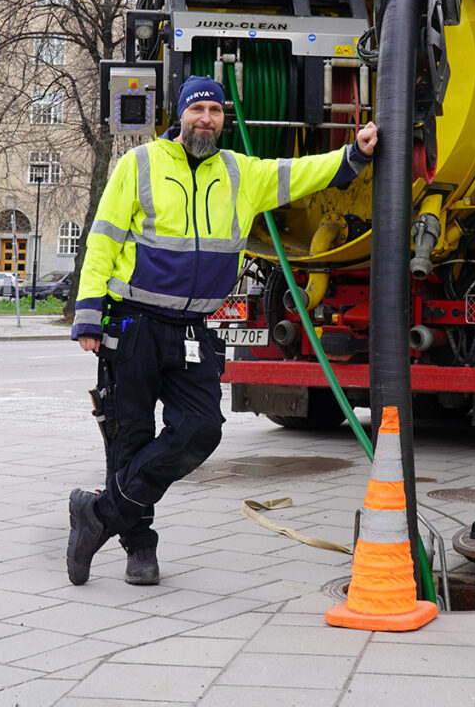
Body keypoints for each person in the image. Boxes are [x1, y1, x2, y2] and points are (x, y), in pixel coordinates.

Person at [67, 75, 378, 586]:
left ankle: (98, 514)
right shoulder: (138, 164)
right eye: (198, 110)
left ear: (223, 119)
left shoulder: (241, 172)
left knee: (202, 428)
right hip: (133, 320)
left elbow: (301, 173)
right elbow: (103, 238)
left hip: (193, 327)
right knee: (130, 438)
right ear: (181, 115)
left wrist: (354, 155)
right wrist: (88, 313)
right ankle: (139, 548)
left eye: (214, 110)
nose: (206, 119)